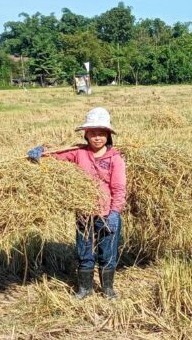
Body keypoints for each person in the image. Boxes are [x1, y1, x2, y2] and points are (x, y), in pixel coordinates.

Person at [27, 107, 126, 299]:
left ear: (108, 135)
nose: (97, 137)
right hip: (84, 214)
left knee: (108, 253)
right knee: (84, 252)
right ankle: (85, 288)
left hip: (108, 215)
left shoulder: (115, 158)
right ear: (86, 134)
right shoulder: (78, 153)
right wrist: (41, 152)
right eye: (93, 133)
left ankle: (108, 289)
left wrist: (115, 212)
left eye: (101, 133)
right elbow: (56, 156)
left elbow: (119, 188)